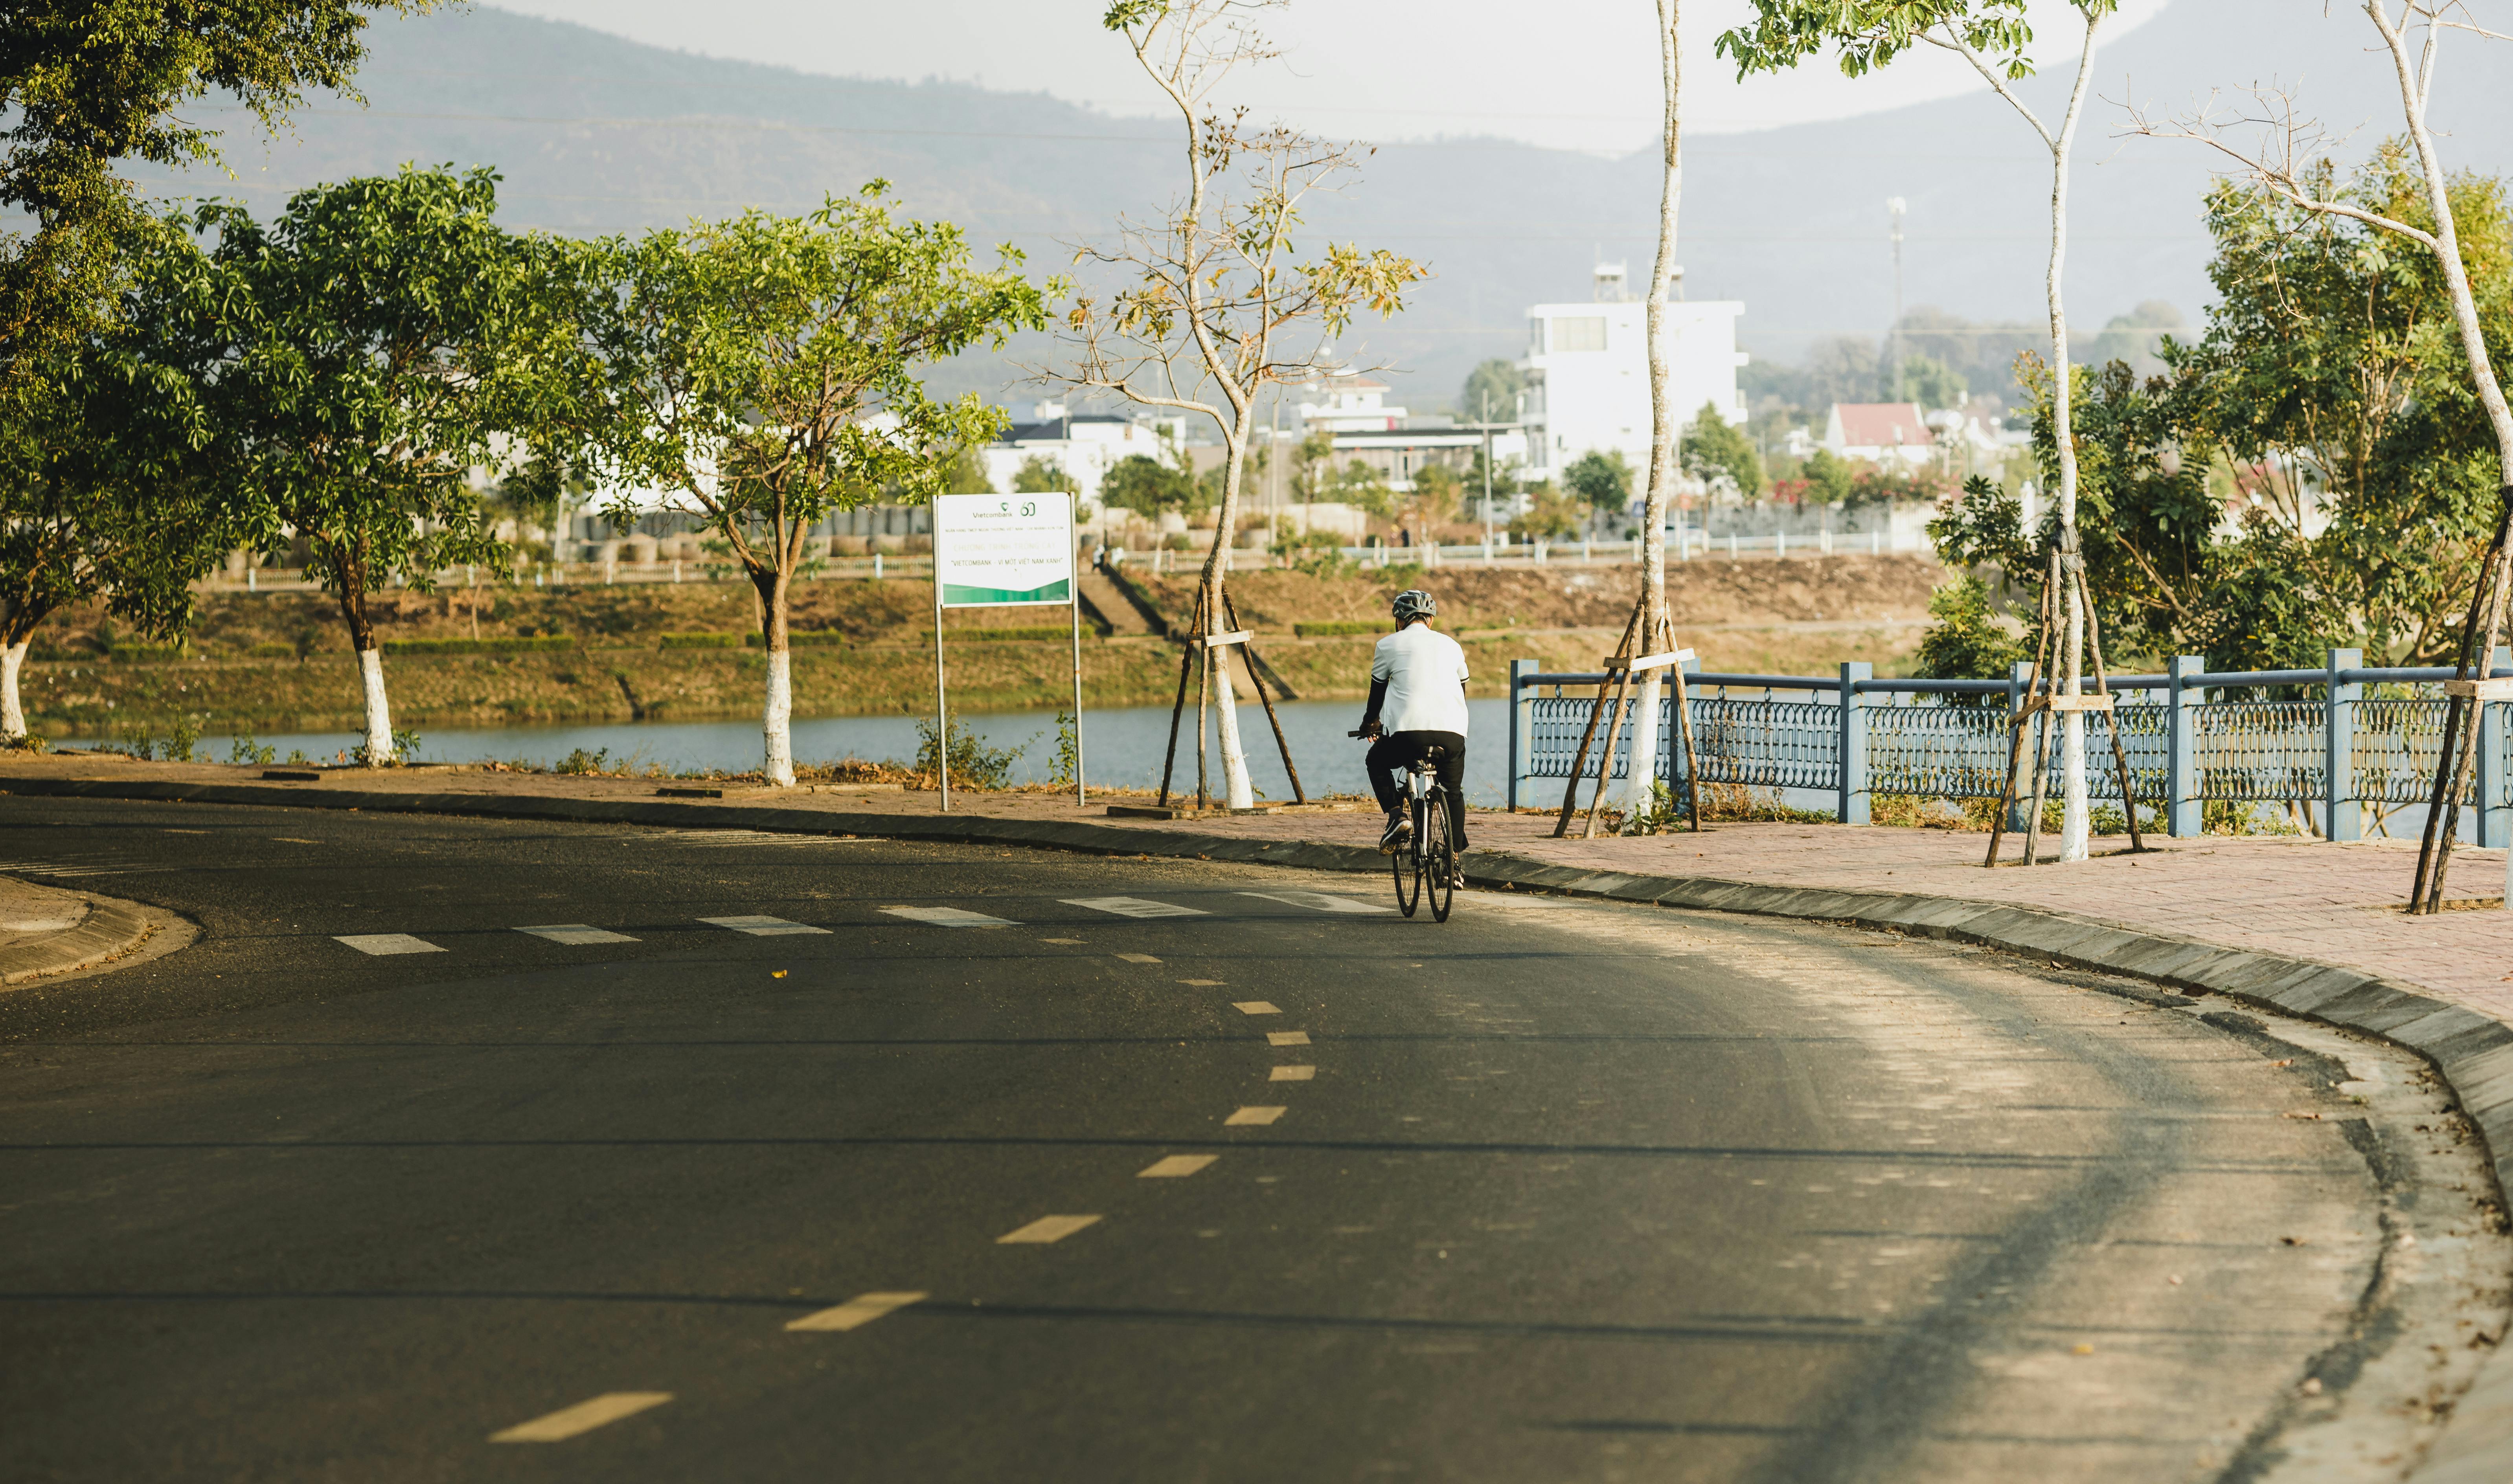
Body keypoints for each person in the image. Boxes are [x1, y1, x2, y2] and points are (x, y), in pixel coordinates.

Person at [1357, 588, 1469, 865]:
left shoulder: (1387, 645)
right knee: (1452, 792)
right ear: (1430, 620)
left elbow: (1377, 694)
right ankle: (1453, 861)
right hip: (1453, 735)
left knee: (1376, 761)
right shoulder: (1452, 645)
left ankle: (1397, 817)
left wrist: (1370, 724)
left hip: (1408, 736)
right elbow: (1462, 687)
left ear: (1399, 620)